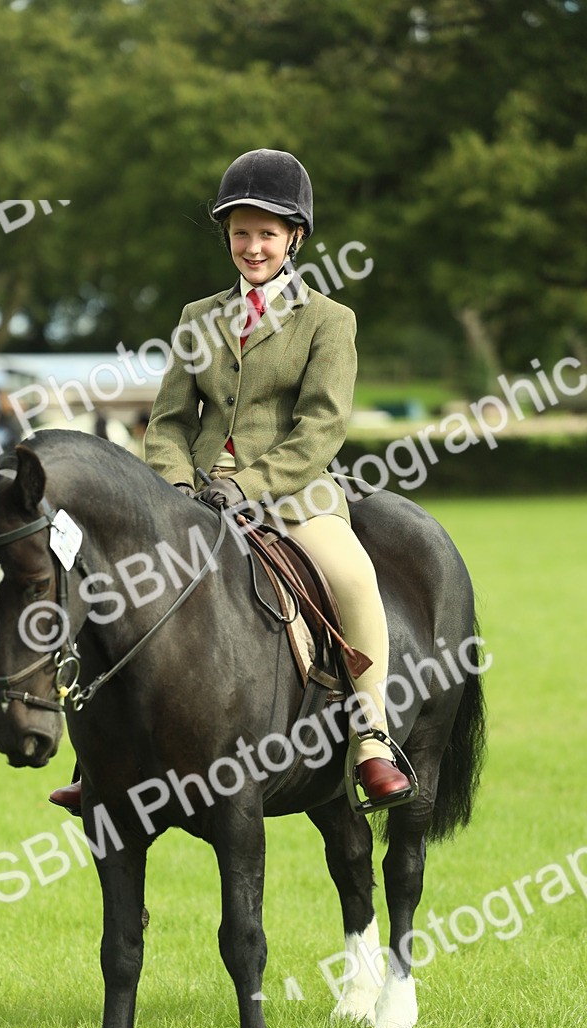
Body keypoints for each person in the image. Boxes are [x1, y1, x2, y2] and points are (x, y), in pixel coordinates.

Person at [50, 148, 412, 814]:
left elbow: (321, 428)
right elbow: (165, 421)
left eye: (266, 233)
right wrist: (176, 486)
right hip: (192, 499)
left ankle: (372, 739)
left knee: (355, 578)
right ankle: (95, 755)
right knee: (114, 591)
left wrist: (248, 486)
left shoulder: (329, 321)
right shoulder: (198, 318)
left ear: (294, 238)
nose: (252, 246)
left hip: (294, 496)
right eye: (241, 232)